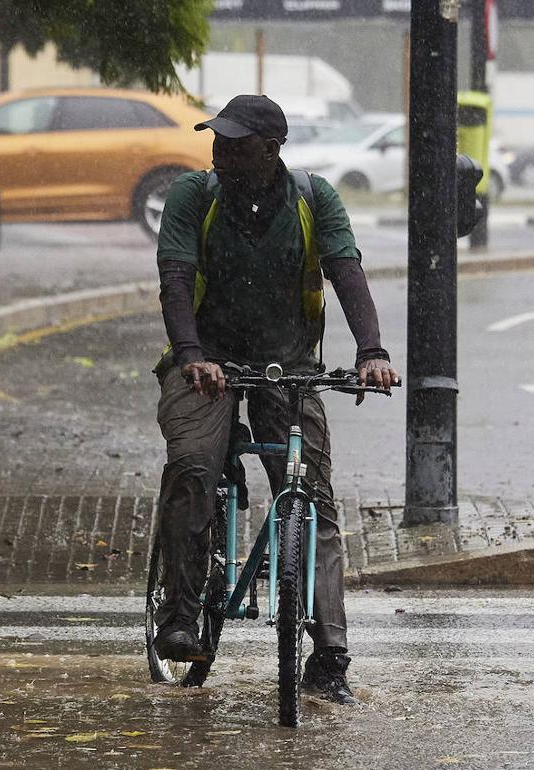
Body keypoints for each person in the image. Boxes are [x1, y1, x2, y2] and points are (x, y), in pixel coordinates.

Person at [152, 94, 400, 705]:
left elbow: (345, 270)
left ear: (271, 151)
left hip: (286, 367)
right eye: (218, 142)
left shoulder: (313, 200)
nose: (221, 153)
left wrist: (372, 350)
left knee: (312, 497)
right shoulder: (193, 196)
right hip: (204, 363)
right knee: (193, 465)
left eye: (235, 145)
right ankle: (180, 616)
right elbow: (175, 281)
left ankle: (330, 653)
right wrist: (191, 355)